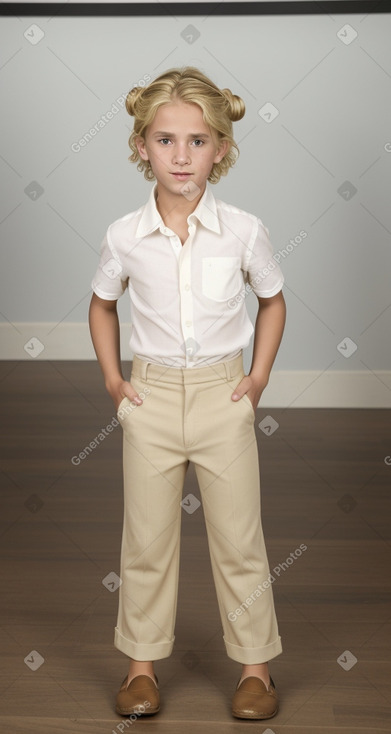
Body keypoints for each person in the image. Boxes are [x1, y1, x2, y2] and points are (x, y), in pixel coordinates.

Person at [89, 66, 286, 721]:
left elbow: (272, 301)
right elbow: (101, 305)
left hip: (220, 398)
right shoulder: (124, 235)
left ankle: (254, 670)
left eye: (197, 141)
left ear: (221, 148)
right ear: (141, 145)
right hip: (148, 400)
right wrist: (116, 381)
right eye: (166, 140)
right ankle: (141, 669)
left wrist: (254, 380)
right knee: (145, 541)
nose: (181, 156)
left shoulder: (243, 231)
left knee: (239, 539)